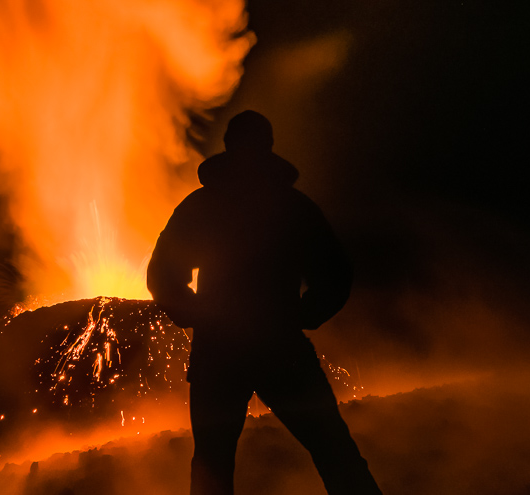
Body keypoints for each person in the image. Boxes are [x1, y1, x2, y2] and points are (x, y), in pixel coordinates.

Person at [147, 110, 383, 495]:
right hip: (280, 348)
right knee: (334, 451)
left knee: (212, 465)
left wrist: (197, 316)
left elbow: (162, 274)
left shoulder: (203, 208)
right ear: (268, 147)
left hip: (220, 354)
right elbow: (335, 272)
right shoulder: (294, 207)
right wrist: (305, 314)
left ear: (228, 147)